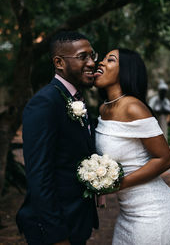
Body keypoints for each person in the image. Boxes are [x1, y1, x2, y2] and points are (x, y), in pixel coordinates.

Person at [16, 31, 99, 245]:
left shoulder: (75, 100)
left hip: (77, 220)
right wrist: (57, 235)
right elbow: (39, 175)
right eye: (83, 57)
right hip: (56, 227)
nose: (92, 63)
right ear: (59, 62)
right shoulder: (45, 102)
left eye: (93, 56)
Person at [94, 49, 170, 245]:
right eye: (103, 58)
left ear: (125, 70)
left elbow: (165, 159)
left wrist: (115, 185)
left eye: (110, 60)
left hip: (153, 212)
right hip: (127, 213)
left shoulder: (133, 107)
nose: (101, 62)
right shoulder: (104, 108)